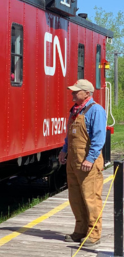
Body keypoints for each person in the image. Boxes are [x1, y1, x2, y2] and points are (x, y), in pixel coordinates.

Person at [58, 79, 106, 247]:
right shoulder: (75, 111)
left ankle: (94, 234)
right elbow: (69, 135)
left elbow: (99, 138)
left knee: (91, 198)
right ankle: (80, 230)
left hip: (87, 163)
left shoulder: (96, 110)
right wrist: (64, 150)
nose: (72, 93)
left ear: (87, 93)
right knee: (75, 198)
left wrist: (90, 158)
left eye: (76, 91)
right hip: (73, 161)